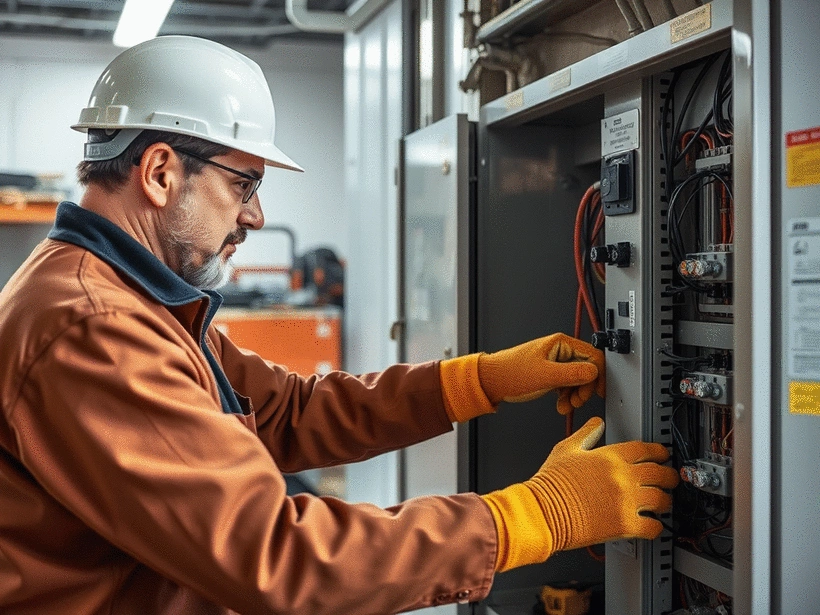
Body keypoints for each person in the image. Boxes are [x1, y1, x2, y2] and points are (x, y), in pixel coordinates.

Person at [0, 36, 677, 615]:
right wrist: (532, 516)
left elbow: (288, 411)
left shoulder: (132, 298)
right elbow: (280, 553)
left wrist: (477, 380)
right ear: (158, 172)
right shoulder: (92, 325)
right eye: (244, 185)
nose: (255, 217)